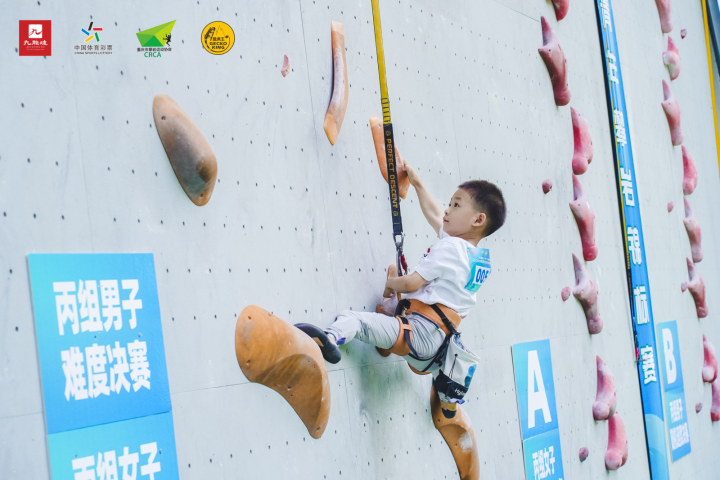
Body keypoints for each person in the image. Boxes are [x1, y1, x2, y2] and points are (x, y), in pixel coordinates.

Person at [296, 159, 506, 376]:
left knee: (353, 319)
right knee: (396, 318)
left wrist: (390, 284)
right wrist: (417, 183)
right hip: (438, 348)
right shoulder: (477, 258)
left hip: (418, 334)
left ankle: (328, 339)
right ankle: (389, 337)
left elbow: (410, 284)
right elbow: (435, 215)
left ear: (478, 220)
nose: (447, 210)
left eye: (456, 205)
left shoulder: (451, 247)